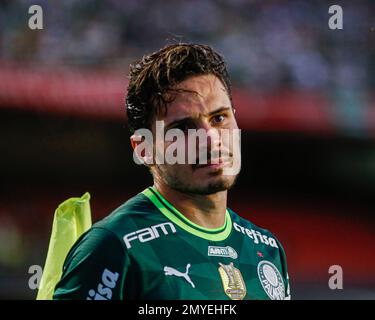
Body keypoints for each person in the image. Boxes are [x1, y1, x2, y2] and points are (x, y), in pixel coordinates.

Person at [53, 43, 290, 300]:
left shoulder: (267, 249)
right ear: (144, 148)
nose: (210, 139)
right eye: (184, 128)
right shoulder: (114, 247)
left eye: (219, 118)